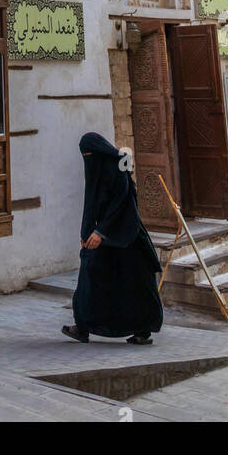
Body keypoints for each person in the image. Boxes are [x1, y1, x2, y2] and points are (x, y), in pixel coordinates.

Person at [62, 132, 163, 345]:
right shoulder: (95, 169)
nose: (87, 158)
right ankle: (82, 326)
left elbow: (123, 203)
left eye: (89, 153)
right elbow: (90, 204)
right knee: (89, 279)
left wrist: (101, 232)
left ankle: (143, 331)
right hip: (103, 238)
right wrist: (86, 233)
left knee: (135, 284)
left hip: (128, 235)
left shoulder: (118, 167)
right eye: (84, 154)